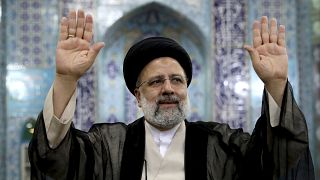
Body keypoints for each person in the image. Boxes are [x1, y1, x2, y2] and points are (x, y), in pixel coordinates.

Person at [28, 9, 315, 180]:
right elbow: (55, 157)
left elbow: (276, 158)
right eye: (155, 82)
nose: (168, 88)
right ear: (137, 96)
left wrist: (276, 83)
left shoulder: (221, 143)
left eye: (176, 80)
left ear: (186, 89)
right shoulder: (107, 146)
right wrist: (66, 79)